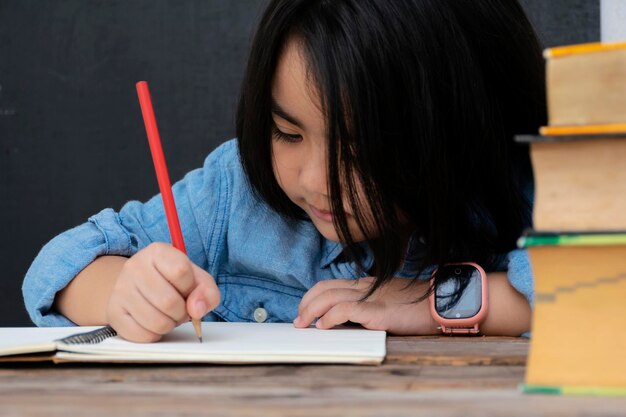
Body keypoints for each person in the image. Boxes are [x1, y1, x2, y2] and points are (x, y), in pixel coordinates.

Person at [23, 0, 545, 342]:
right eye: (287, 134)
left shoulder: (531, 185)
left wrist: (436, 301)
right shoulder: (236, 192)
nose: (316, 180)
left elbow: (604, 293)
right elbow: (58, 268)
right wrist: (124, 292)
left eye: (361, 150)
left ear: (457, 128)